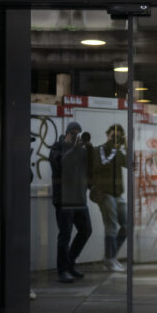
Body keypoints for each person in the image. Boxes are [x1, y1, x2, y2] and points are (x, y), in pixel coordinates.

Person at [49, 121, 92, 283]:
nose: (75, 136)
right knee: (65, 235)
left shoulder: (80, 150)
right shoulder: (57, 148)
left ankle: (70, 262)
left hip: (79, 198)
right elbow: (61, 165)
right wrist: (73, 148)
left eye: (78, 133)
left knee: (86, 230)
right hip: (64, 200)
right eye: (73, 133)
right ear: (66, 133)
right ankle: (62, 271)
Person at [91, 123, 127, 272]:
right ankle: (110, 259)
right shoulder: (99, 150)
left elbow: (131, 164)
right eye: (113, 136)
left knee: (126, 225)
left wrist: (125, 147)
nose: (115, 139)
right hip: (105, 194)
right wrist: (115, 148)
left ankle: (109, 257)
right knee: (111, 226)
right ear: (107, 135)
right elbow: (98, 167)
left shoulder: (118, 152)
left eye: (118, 137)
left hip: (117, 194)